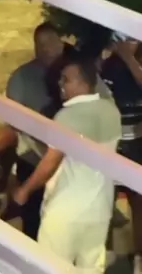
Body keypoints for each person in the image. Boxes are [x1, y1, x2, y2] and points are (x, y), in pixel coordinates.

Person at [12, 55, 121, 272]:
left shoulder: (67, 116)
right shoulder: (111, 111)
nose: (60, 83)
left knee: (50, 266)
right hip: (100, 208)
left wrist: (24, 190)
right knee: (91, 267)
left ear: (84, 83)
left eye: (66, 79)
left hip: (66, 209)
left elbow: (51, 162)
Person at [0, 23, 68, 238]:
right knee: (33, 220)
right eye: (40, 44)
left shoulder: (75, 75)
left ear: (61, 43)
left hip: (68, 163)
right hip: (33, 156)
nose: (46, 49)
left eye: (50, 42)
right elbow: (13, 120)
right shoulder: (21, 78)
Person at [101, 35, 142, 274]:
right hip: (111, 144)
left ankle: (139, 257)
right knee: (104, 201)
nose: (129, 42)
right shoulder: (108, 65)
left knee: (139, 203)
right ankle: (102, 256)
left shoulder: (134, 63)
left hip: (138, 144)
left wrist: (129, 59)